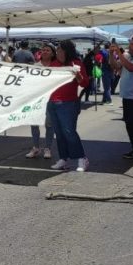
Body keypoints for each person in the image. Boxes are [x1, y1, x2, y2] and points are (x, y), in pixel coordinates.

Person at [47, 40, 90, 171]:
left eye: (60, 49)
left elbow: (85, 84)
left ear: (66, 51)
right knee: (59, 133)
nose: (58, 51)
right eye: (57, 49)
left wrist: (78, 76)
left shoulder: (76, 64)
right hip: (52, 103)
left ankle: (82, 158)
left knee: (69, 132)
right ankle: (63, 158)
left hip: (68, 103)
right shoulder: (53, 64)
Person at [26, 43, 56, 159]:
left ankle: (47, 148)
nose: (45, 52)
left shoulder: (56, 66)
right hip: (37, 99)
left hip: (50, 99)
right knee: (34, 124)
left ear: (52, 53)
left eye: (48, 50)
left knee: (49, 124)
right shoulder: (35, 66)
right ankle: (35, 147)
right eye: (43, 50)